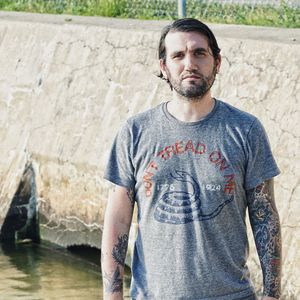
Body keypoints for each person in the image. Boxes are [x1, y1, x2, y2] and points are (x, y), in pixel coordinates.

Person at [101, 18, 282, 300]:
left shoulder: (246, 130)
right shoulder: (135, 132)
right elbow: (118, 221)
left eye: (200, 53)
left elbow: (264, 216)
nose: (189, 64)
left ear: (217, 62)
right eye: (178, 55)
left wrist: (272, 294)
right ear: (164, 66)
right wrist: (112, 295)